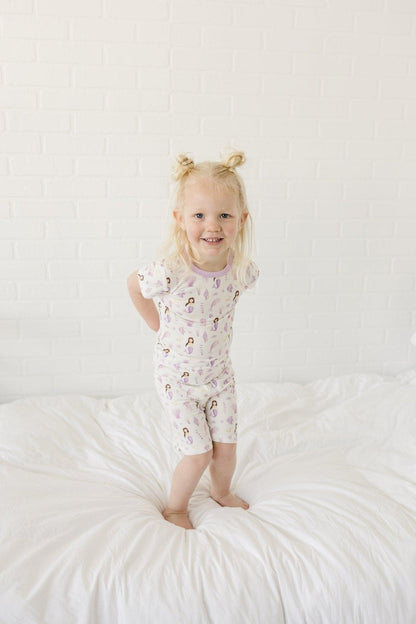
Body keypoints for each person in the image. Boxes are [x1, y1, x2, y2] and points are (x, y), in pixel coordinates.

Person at [127, 150, 259, 529]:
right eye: (199, 215)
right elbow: (134, 285)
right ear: (180, 219)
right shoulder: (172, 271)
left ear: (241, 220)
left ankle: (220, 492)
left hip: (219, 376)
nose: (212, 225)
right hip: (177, 379)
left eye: (224, 215)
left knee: (226, 449)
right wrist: (156, 324)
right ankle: (176, 509)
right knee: (199, 453)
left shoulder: (242, 271)